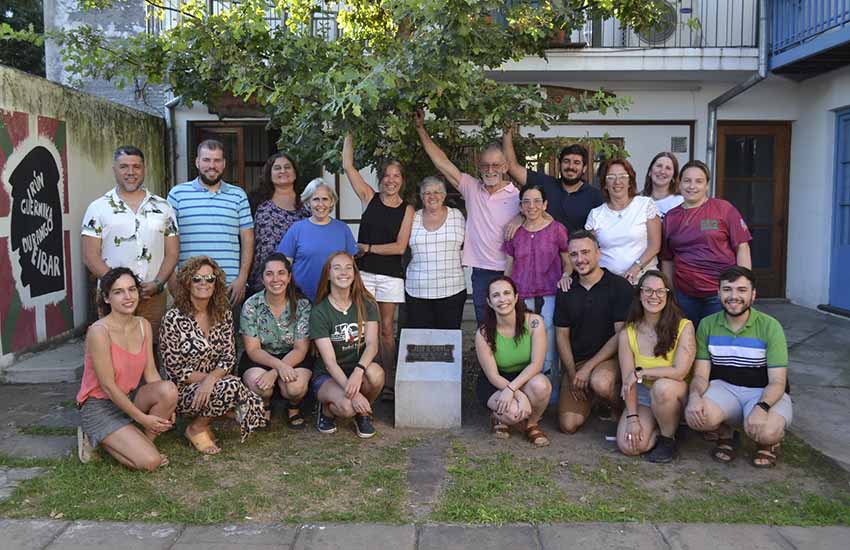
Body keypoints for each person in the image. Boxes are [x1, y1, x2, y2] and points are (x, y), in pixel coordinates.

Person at [415, 110, 520, 324]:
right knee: (484, 324)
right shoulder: (472, 188)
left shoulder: (519, 197)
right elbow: (441, 162)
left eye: (496, 165)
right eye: (485, 166)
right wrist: (420, 129)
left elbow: (541, 215)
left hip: (512, 268)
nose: (490, 170)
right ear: (479, 167)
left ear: (505, 167)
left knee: (511, 323)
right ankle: (486, 358)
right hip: (481, 272)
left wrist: (521, 217)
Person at [685, 267, 792, 468]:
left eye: (742, 290)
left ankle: (767, 443)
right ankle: (726, 433)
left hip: (762, 391)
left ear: (753, 295)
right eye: (727, 290)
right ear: (718, 293)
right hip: (725, 388)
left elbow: (778, 381)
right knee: (697, 417)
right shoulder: (707, 325)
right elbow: (700, 375)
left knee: (767, 430)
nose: (734, 296)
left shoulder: (770, 326)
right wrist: (694, 397)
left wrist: (762, 407)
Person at [159, 256, 267, 454]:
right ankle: (196, 428)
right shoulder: (172, 319)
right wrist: (209, 381)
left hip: (215, 383)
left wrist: (211, 381)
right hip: (184, 391)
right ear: (186, 282)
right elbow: (175, 370)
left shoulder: (223, 312)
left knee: (232, 386)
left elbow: (228, 356)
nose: (204, 283)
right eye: (197, 279)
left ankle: (217, 417)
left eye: (210, 279)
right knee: (234, 387)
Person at [76, 267, 177, 470]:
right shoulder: (99, 332)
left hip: (129, 398)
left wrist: (169, 403)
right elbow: (109, 387)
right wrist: (143, 419)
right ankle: (94, 436)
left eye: (132, 289)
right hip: (100, 406)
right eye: (118, 292)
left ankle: (142, 443)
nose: (128, 297)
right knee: (151, 462)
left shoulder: (143, 325)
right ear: (106, 298)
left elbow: (150, 372)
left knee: (169, 389)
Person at [343, 134, 414, 400]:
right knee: (360, 326)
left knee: (386, 329)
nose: (391, 180)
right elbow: (348, 166)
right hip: (364, 273)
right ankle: (358, 375)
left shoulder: (407, 209)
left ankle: (389, 381)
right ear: (380, 178)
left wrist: (369, 247)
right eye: (387, 175)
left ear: (402, 180)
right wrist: (350, 132)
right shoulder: (368, 197)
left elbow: (399, 247)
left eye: (396, 176)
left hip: (390, 275)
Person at [82, 146, 178, 336]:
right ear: (114, 169)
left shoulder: (163, 207)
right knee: (115, 351)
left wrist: (158, 283)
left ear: (144, 169)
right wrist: (119, 287)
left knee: (151, 349)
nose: (131, 172)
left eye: (136, 166)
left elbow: (172, 252)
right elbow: (90, 255)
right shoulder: (98, 208)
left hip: (153, 295)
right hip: (114, 297)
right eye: (124, 167)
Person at [554, 230, 633, 434]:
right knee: (568, 425)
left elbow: (620, 336)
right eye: (574, 254)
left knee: (601, 382)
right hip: (578, 363)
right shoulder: (566, 289)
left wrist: (588, 368)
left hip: (611, 362)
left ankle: (618, 407)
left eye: (586, 252)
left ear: (598, 253)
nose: (580, 259)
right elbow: (561, 335)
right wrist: (572, 374)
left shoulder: (619, 286)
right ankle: (593, 399)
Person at [661, 160, 752, 327]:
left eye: (699, 181)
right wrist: (669, 293)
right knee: (688, 340)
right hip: (685, 295)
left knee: (716, 341)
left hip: (720, 293)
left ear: (707, 185)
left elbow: (742, 246)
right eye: (687, 181)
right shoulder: (671, 217)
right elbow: (667, 259)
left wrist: (744, 285)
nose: (692, 186)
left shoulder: (724, 209)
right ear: (679, 183)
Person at [617, 270, 695, 463]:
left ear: (668, 295)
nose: (654, 296)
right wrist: (633, 418)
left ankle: (668, 440)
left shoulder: (684, 326)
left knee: (662, 388)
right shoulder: (628, 333)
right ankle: (665, 427)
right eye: (648, 291)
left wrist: (642, 373)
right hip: (644, 396)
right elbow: (629, 381)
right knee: (630, 446)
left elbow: (680, 371)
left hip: (674, 393)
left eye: (660, 291)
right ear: (639, 294)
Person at [167, 139, 254, 308]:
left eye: (217, 160)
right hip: (189, 285)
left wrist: (242, 278)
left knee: (227, 334)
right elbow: (167, 241)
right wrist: (172, 281)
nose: (211, 165)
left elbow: (248, 239)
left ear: (224, 164)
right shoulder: (177, 194)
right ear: (197, 162)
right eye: (206, 160)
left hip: (228, 287)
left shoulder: (238, 196)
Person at [503, 184, 570, 398]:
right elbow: (509, 265)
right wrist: (505, 291)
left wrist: (566, 276)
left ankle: (550, 396)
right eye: (526, 201)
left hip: (548, 294)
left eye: (537, 201)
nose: (532, 206)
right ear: (521, 206)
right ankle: (525, 393)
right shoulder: (514, 232)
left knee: (549, 344)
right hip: (522, 296)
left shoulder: (557, 229)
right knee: (525, 344)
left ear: (545, 204)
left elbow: (567, 261)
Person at [309, 252, 384, 438]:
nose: (343, 272)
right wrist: (354, 394)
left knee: (376, 374)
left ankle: (362, 415)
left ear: (355, 273)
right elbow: (330, 363)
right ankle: (327, 411)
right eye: (337, 268)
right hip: (328, 376)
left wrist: (358, 371)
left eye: (348, 267)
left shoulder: (367, 304)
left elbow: (372, 345)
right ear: (328, 274)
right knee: (347, 407)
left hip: (357, 369)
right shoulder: (320, 312)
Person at [475, 276, 552, 447]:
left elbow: (536, 364)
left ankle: (532, 424)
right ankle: (498, 417)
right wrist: (517, 394)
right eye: (496, 295)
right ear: (489, 302)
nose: (502, 299)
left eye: (507, 293)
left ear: (516, 297)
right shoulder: (483, 333)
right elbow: (493, 375)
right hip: (495, 383)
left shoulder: (534, 322)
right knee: (513, 413)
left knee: (542, 386)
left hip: (525, 377)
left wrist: (514, 389)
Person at [239, 253, 312, 429]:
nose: (275, 279)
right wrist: (278, 367)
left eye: (281, 273)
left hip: (294, 357)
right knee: (261, 386)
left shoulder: (302, 305)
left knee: (294, 389)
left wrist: (274, 372)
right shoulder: (251, 305)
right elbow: (253, 350)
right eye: (269, 274)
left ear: (289, 277)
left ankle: (293, 406)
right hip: (261, 357)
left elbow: (301, 349)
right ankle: (265, 404)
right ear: (262, 279)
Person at [502, 128, 604, 234]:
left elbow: (599, 232)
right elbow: (512, 167)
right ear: (559, 165)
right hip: (543, 249)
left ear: (584, 168)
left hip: (574, 250)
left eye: (577, 163)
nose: (571, 166)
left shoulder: (595, 196)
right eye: (566, 161)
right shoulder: (545, 184)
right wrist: (507, 128)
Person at [277, 178, 358, 302]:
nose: (321, 204)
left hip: (334, 300)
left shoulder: (342, 229)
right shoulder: (297, 229)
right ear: (308, 202)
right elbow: (283, 266)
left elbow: (350, 267)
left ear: (332, 202)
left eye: (325, 199)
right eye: (316, 199)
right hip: (301, 299)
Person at [585, 158, 661, 285]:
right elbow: (590, 251)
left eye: (622, 176)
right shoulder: (596, 214)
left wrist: (635, 268)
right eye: (611, 177)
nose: (617, 181)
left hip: (643, 282)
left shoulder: (645, 205)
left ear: (630, 181)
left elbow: (655, 246)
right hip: (609, 284)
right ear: (604, 183)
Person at [405, 176, 467, 330]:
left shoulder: (457, 216)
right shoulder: (412, 217)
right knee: (420, 342)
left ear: (444, 195)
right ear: (421, 197)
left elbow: (469, 244)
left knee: (448, 340)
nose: (432, 197)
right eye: (427, 193)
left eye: (437, 192)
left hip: (452, 289)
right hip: (417, 290)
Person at [247, 152, 309, 294]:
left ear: (295, 172)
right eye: (277, 168)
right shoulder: (255, 201)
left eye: (287, 167)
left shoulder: (308, 203)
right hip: (261, 278)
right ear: (269, 173)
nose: (283, 171)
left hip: (298, 278)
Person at [642, 152, 684, 217]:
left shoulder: (681, 202)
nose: (662, 171)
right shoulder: (638, 200)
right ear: (650, 171)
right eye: (659, 166)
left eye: (668, 168)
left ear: (673, 176)